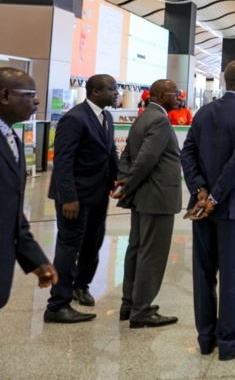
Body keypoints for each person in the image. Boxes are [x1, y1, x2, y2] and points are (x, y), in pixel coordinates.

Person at [181, 60, 235, 360]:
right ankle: (230, 341)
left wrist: (200, 191)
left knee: (203, 273)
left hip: (201, 207)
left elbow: (187, 152)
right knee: (232, 274)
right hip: (233, 208)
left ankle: (206, 338)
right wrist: (215, 197)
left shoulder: (204, 112)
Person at [44, 74, 119, 323]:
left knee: (92, 244)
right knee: (69, 247)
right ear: (95, 92)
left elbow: (110, 152)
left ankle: (80, 285)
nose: (116, 92)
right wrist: (68, 198)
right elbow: (62, 161)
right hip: (75, 197)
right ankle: (57, 304)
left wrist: (118, 180)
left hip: (98, 194)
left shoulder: (106, 117)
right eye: (112, 89)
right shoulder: (74, 118)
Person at [115, 78, 182, 328]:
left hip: (143, 197)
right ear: (161, 96)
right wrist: (128, 185)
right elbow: (146, 159)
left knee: (137, 248)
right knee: (151, 255)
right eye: (175, 93)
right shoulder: (160, 120)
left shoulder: (142, 118)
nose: (179, 97)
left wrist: (124, 183)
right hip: (157, 197)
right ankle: (142, 311)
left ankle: (129, 304)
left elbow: (126, 157)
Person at [0, 68, 56, 309]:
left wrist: (36, 260)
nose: (37, 100)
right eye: (30, 93)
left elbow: (9, 209)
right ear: (4, 96)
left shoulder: (13, 140)